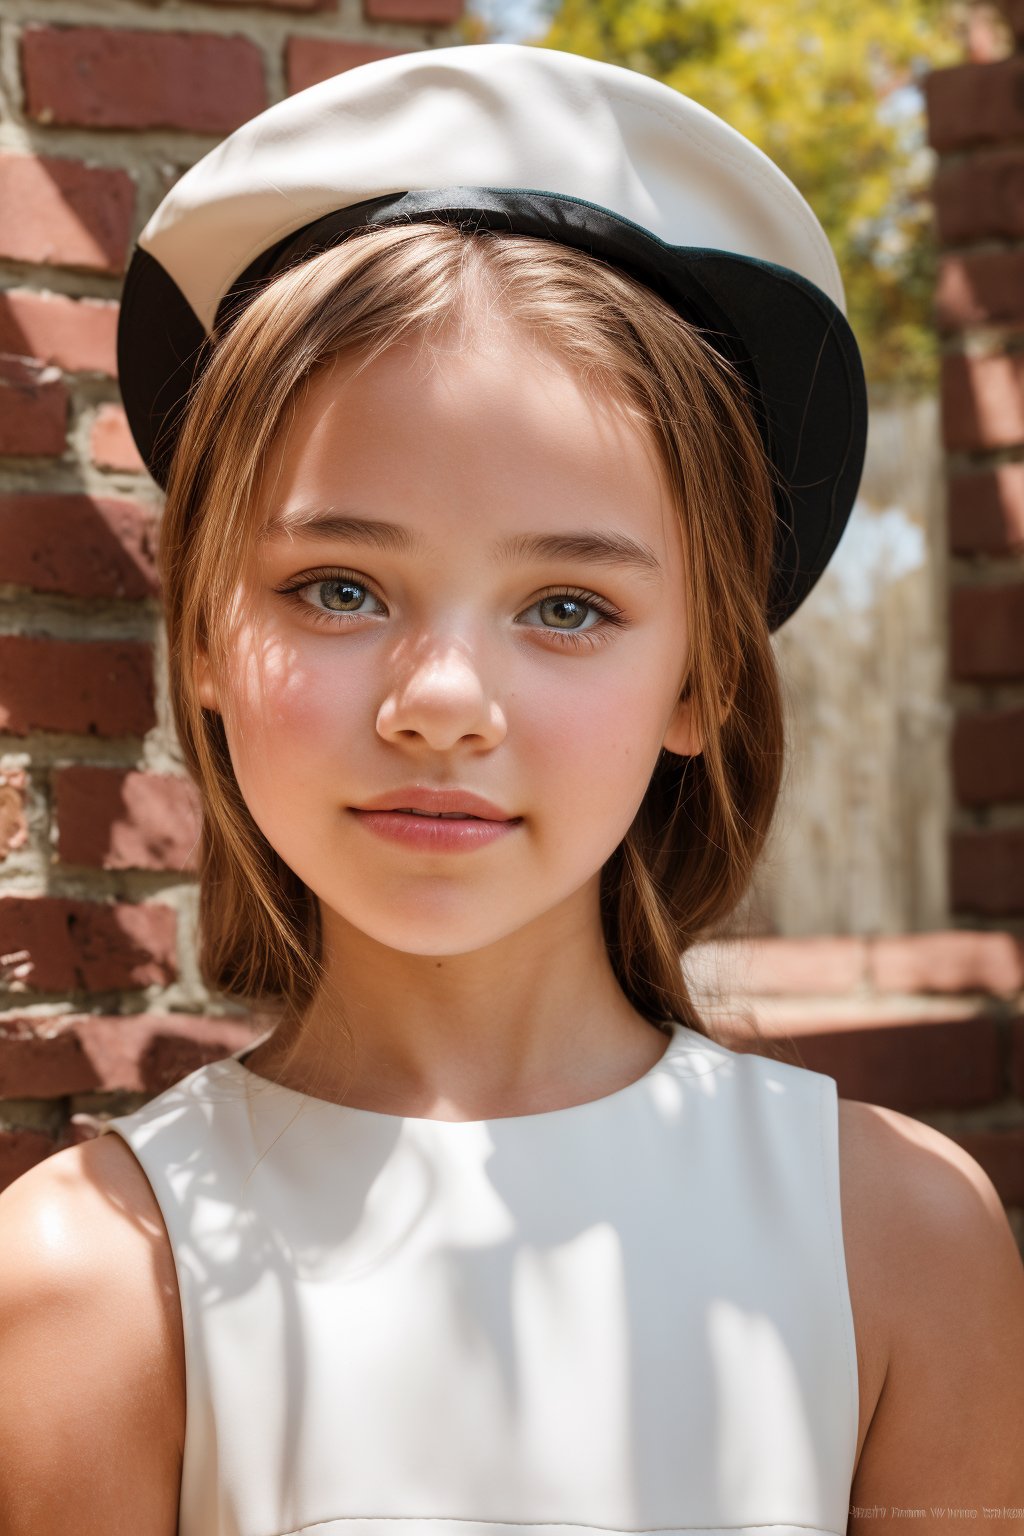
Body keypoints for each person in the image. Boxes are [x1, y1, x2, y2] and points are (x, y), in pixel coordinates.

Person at [0, 42, 1021, 1536]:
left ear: (702, 680)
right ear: (208, 634)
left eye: (567, 609)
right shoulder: (81, 1282)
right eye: (338, 587)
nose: (439, 706)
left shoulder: (905, 1243)